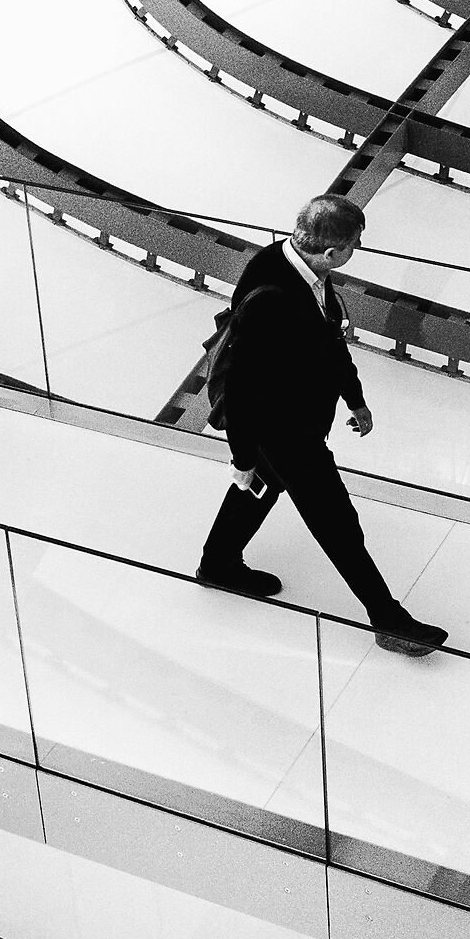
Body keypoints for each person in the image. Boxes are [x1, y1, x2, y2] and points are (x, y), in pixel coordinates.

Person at [196, 194, 451, 658]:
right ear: (332, 251)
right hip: (283, 429)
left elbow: (329, 341)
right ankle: (388, 619)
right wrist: (242, 458)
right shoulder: (272, 295)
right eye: (354, 244)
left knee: (265, 487)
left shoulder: (301, 267)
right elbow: (242, 385)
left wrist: (355, 399)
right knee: (336, 521)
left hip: (302, 418)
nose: (356, 251)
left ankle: (218, 563)